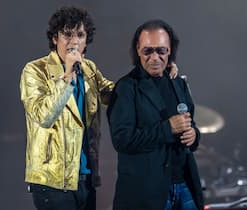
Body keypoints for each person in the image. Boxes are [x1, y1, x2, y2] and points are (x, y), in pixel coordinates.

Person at [19, 6, 114, 210]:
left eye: (80, 35)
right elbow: (44, 116)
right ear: (55, 38)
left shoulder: (89, 69)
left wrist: (153, 73)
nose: (74, 42)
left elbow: (114, 94)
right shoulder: (35, 70)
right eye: (67, 34)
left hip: (86, 177)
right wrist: (68, 75)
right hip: (52, 182)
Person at [107, 20, 204, 210]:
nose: (154, 58)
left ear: (170, 51)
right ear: (137, 50)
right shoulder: (127, 88)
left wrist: (194, 136)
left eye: (161, 51)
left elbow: (190, 124)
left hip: (184, 185)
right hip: (146, 193)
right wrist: (168, 128)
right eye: (147, 51)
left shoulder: (178, 83)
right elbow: (122, 139)